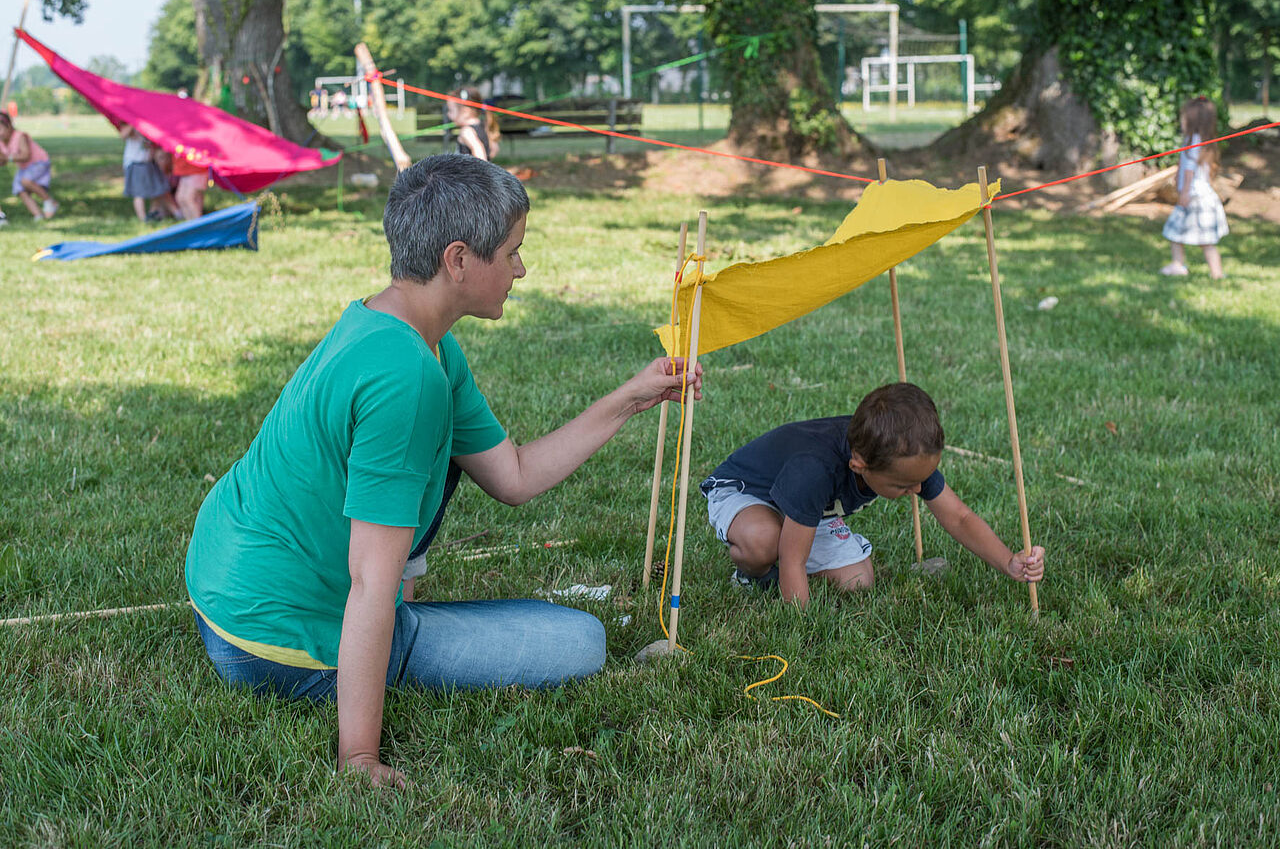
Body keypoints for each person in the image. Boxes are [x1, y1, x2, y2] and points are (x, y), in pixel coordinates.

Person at [185, 153, 701, 789]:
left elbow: (511, 475)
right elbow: (371, 584)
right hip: (272, 639)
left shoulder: (404, 328)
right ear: (459, 260)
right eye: (512, 251)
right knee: (579, 643)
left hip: (222, 583)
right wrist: (360, 759)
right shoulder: (406, 380)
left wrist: (632, 397)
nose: (521, 267)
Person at [700, 382, 1044, 607]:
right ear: (860, 464)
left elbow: (959, 516)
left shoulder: (906, 458)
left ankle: (775, 574)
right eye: (904, 485)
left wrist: (1009, 562)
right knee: (767, 541)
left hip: (808, 509)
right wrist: (801, 632)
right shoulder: (815, 468)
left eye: (921, 480)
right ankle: (752, 573)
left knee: (858, 580)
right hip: (748, 494)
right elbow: (794, 559)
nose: (917, 489)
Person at [1159, 96, 1228, 280]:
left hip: (1194, 198)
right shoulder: (1200, 141)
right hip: (1200, 196)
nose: (1181, 121)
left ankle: (1185, 266)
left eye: (1184, 118)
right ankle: (1187, 266)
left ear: (1193, 121)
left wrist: (1184, 193)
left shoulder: (1194, 141)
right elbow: (1186, 167)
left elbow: (1189, 171)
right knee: (1184, 235)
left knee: (1180, 234)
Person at [0, 112, 58, 221]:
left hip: (39, 162)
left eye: (0, 129)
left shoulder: (19, 136)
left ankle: (50, 202)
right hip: (24, 167)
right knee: (20, 189)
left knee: (25, 181)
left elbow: (26, 155)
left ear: (9, 126)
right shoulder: (1, 142)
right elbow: (3, 161)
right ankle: (38, 215)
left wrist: (8, 158)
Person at [119, 123, 180, 222]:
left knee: (161, 189)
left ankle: (174, 213)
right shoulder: (132, 125)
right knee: (139, 192)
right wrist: (135, 123)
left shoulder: (149, 125)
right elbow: (123, 135)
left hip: (150, 162)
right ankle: (143, 219)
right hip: (136, 163)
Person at [446, 87, 501, 162]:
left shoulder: (467, 132)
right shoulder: (484, 126)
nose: (448, 115)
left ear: (465, 112)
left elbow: (480, 154)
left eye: (451, 111)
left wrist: (482, 171)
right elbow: (494, 150)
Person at [171, 149, 209, 220]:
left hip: (196, 170)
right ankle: (191, 223)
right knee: (180, 198)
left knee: (188, 198)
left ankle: (199, 224)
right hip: (186, 172)